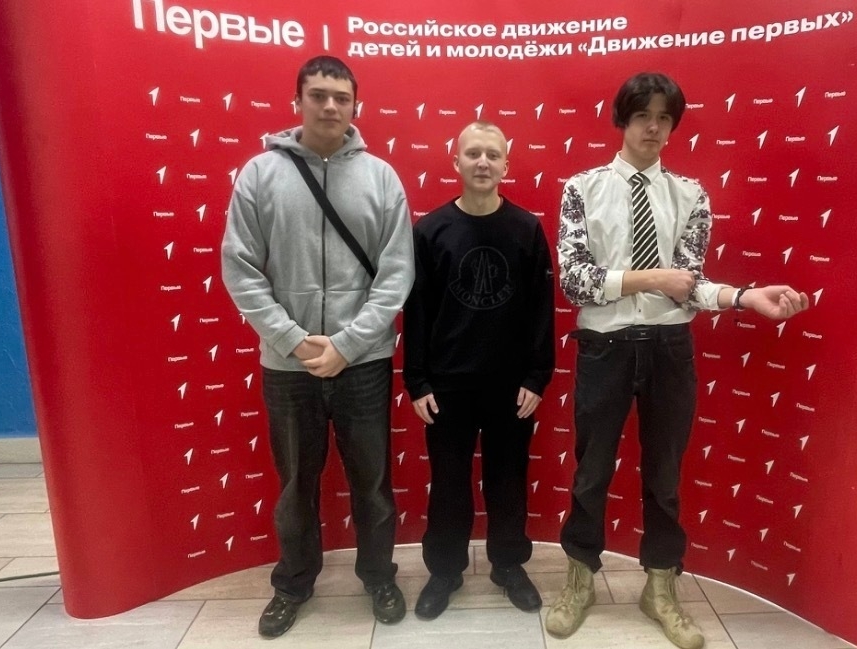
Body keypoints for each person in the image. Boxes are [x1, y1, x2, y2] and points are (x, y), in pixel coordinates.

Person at [546, 72, 810, 649]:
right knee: (591, 472)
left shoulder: (691, 195)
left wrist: (744, 297)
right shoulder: (582, 188)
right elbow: (575, 281)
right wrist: (652, 278)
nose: (653, 127)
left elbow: (688, 285)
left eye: (664, 118)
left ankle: (661, 586)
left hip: (669, 349)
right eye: (643, 115)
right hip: (605, 348)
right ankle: (579, 579)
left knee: (664, 476)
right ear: (623, 119)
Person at [221, 55, 414, 639]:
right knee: (294, 488)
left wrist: (349, 344)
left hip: (364, 365)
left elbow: (396, 274)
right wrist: (293, 339)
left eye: (341, 97)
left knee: (372, 485)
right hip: (289, 366)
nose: (330, 106)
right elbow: (240, 268)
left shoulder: (382, 178)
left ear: (356, 105)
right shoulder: (259, 174)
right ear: (298, 101)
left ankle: (378, 576)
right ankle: (293, 584)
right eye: (318, 95)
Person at [403, 121, 555, 620]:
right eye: (473, 154)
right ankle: (445, 571)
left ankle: (508, 565)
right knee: (449, 484)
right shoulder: (430, 231)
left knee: (508, 481)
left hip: (512, 386)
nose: (483, 162)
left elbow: (541, 309)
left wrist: (537, 376)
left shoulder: (526, 229)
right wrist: (417, 380)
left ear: (506, 164)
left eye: (493, 154)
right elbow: (417, 310)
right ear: (456, 162)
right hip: (447, 385)